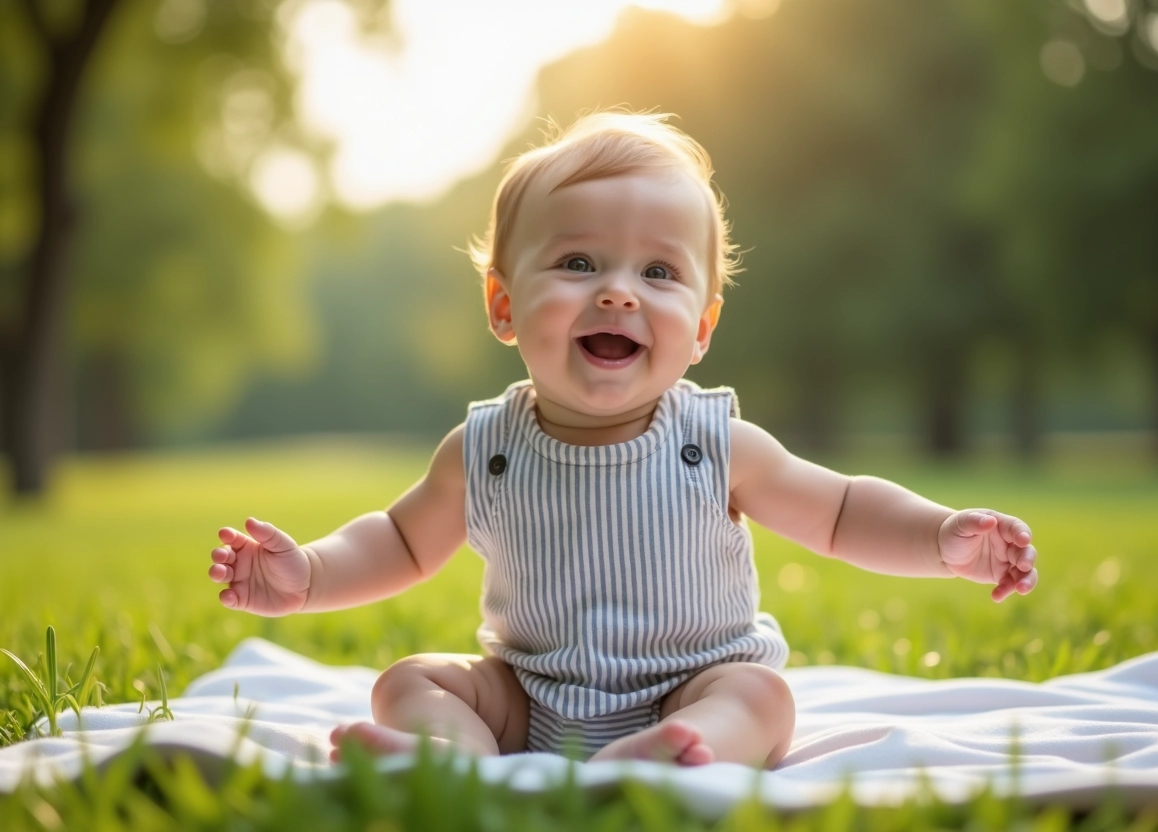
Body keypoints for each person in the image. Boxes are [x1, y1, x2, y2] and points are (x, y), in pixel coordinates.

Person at [207, 111, 1039, 769]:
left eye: (659, 273)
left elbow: (844, 510)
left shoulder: (714, 443)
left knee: (761, 699)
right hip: (528, 700)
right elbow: (395, 540)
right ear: (502, 305)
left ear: (703, 326)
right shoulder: (485, 447)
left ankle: (672, 759)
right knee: (410, 682)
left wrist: (940, 538)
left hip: (691, 688)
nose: (616, 294)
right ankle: (448, 755)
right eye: (577, 263)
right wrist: (307, 574)